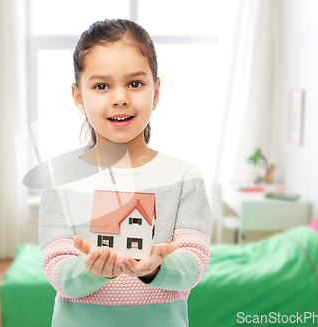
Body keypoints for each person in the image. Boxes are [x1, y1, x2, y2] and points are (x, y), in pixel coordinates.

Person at [38, 18, 211, 327]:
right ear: (79, 97)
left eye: (135, 83)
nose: (120, 97)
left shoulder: (185, 177)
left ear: (156, 92)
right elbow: (58, 272)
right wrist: (90, 270)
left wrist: (156, 269)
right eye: (101, 86)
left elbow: (194, 263)